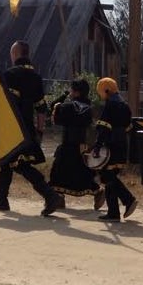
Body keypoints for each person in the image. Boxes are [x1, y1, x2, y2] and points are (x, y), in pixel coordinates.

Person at [0, 40, 62, 216]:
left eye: (12, 53)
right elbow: (41, 109)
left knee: (20, 165)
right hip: (29, 129)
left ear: (16, 54)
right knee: (8, 162)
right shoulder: (36, 77)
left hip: (14, 129)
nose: (11, 56)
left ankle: (50, 196)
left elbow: (4, 106)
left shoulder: (10, 75)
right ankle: (1, 199)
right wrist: (40, 132)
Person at [48, 79, 105, 210]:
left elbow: (53, 109)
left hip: (68, 144)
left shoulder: (67, 106)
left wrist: (63, 96)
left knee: (57, 172)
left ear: (76, 92)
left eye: (72, 90)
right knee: (83, 172)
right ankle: (97, 192)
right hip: (83, 146)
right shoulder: (89, 108)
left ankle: (59, 198)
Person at [92, 77, 138, 222]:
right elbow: (129, 127)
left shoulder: (110, 105)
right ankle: (113, 212)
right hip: (122, 143)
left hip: (111, 143)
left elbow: (104, 128)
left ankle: (128, 199)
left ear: (106, 90)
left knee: (107, 175)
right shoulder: (124, 105)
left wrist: (97, 147)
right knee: (109, 178)